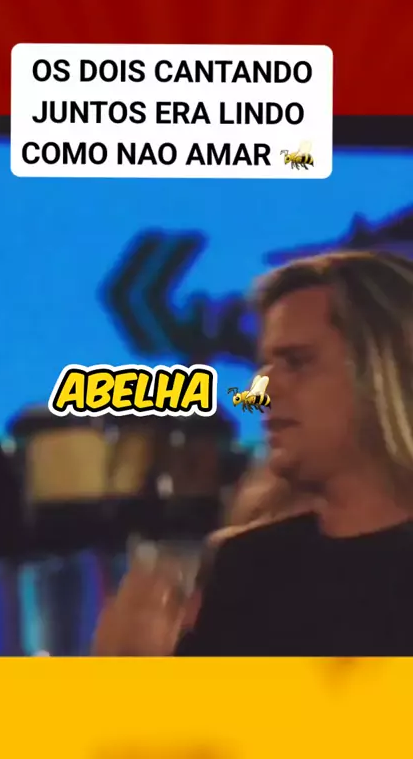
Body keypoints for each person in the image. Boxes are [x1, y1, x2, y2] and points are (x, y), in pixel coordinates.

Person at [93, 250, 413, 656]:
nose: (263, 391)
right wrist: (129, 675)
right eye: (263, 367)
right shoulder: (247, 567)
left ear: (387, 369)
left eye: (297, 363)